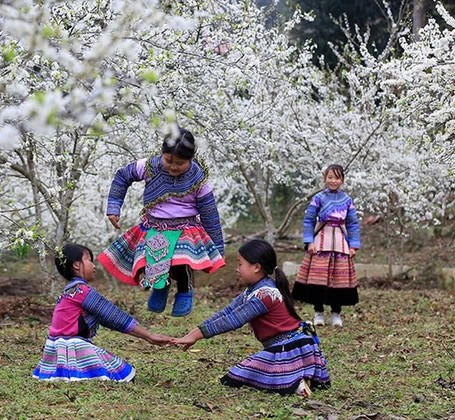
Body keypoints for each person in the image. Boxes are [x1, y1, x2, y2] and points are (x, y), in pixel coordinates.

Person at [174, 239, 331, 397]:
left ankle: (296, 382)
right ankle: (296, 377)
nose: (237, 269)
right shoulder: (254, 290)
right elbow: (226, 313)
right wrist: (193, 334)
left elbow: (232, 320)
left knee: (236, 377)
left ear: (256, 267)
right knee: (240, 375)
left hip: (290, 349)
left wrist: (195, 336)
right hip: (285, 347)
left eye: (240, 264)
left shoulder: (265, 295)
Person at [98, 126, 225, 317]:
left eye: (180, 163)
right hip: (154, 225)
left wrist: (217, 249)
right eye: (169, 161)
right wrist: (114, 206)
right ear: (162, 154)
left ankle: (185, 291)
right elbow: (123, 176)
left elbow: (210, 213)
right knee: (155, 257)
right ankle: (160, 287)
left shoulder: (199, 179)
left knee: (180, 260)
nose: (173, 166)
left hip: (186, 228)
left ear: (191, 159)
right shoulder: (149, 166)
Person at [33, 243, 172, 382]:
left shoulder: (67, 292)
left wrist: (148, 337)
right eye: (88, 260)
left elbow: (107, 319)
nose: (94, 266)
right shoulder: (81, 291)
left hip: (53, 351)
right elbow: (113, 316)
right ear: (76, 264)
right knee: (125, 374)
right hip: (73, 347)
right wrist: (149, 335)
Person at [292, 164, 360, 327]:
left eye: (337, 178)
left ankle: (336, 313)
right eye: (330, 177)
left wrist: (353, 245)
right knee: (318, 279)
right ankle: (318, 312)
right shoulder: (319, 198)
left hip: (340, 243)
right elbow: (308, 220)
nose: (333, 181)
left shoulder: (347, 200)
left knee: (339, 280)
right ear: (325, 179)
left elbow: (353, 223)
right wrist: (309, 241)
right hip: (321, 242)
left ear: (342, 180)